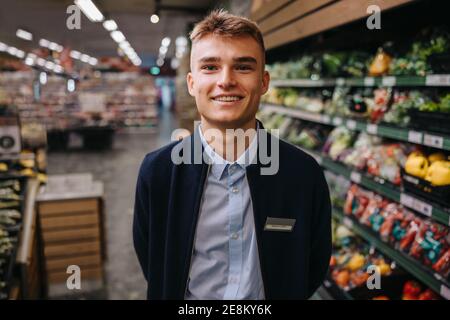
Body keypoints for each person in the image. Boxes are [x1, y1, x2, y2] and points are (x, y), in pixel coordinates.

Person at [133, 9, 331, 300]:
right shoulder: (158, 172)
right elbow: (155, 263)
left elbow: (311, 268)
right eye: (210, 67)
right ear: (191, 83)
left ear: (264, 82)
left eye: (243, 67)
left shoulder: (303, 175)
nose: (226, 80)